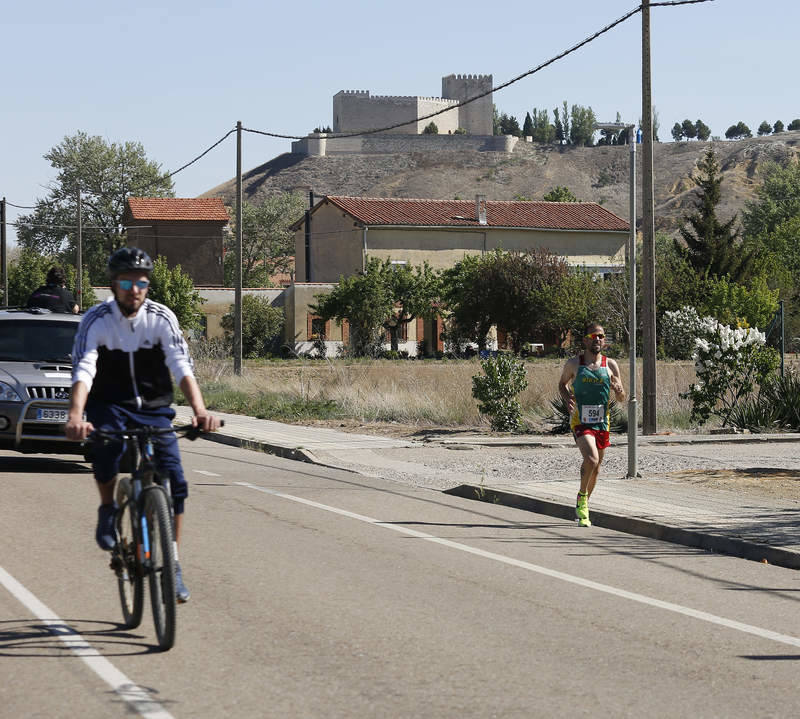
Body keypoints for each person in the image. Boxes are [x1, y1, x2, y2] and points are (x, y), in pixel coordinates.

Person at [65, 247, 220, 602]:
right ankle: (107, 508)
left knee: (175, 480)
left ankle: (174, 563)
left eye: (141, 283)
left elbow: (181, 366)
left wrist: (200, 410)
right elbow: (84, 369)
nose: (134, 289)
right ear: (114, 285)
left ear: (147, 286)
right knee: (105, 450)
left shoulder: (161, 318)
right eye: (126, 282)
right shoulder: (97, 320)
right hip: (109, 405)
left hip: (153, 408)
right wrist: (76, 416)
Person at [558, 322, 626, 527]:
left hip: (602, 421)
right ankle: (581, 496)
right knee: (591, 458)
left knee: (596, 468)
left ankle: (585, 504)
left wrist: (619, 390)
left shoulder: (610, 365)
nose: (598, 339)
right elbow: (562, 384)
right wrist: (567, 396)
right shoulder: (574, 364)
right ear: (586, 340)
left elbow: (622, 397)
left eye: (601, 336)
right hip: (580, 420)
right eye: (594, 336)